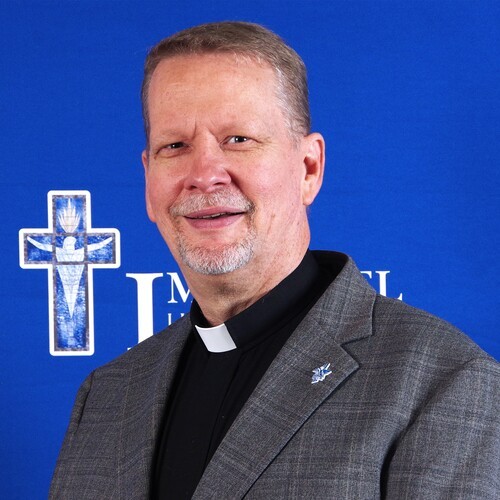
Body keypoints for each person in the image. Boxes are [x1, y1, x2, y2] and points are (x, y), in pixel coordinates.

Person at [49, 21, 499, 499]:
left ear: (309, 168)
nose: (204, 174)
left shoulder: (442, 383)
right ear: (148, 179)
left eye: (238, 139)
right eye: (175, 146)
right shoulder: (107, 396)